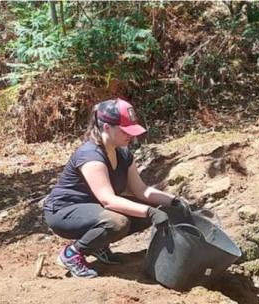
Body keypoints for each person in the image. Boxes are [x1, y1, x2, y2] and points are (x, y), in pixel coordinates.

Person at [43, 98, 186, 278]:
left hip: (94, 209)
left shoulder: (123, 153)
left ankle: (98, 246)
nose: (131, 136)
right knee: (118, 222)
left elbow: (141, 190)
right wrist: (149, 212)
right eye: (125, 131)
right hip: (64, 211)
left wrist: (174, 201)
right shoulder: (90, 155)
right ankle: (72, 253)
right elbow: (107, 200)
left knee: (155, 210)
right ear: (106, 128)